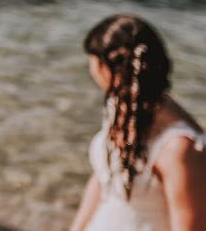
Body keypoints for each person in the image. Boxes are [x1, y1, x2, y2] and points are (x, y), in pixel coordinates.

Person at [70, 14, 206, 231]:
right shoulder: (122, 108)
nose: (91, 69)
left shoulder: (178, 147)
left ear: (107, 67)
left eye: (93, 60)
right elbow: (103, 176)